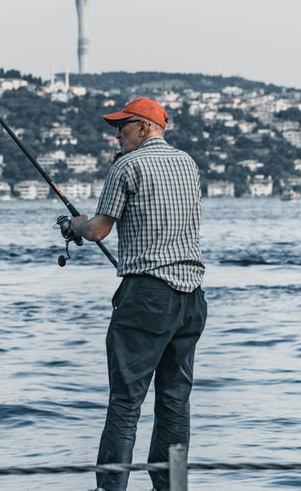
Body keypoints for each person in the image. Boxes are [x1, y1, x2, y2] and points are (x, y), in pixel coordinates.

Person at [70, 97, 207, 491]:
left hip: (147, 298)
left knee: (125, 404)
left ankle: (110, 490)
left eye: (123, 125)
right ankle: (172, 488)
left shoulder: (126, 166)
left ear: (144, 127)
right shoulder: (188, 164)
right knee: (174, 404)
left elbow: (97, 230)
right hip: (192, 299)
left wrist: (74, 225)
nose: (117, 133)